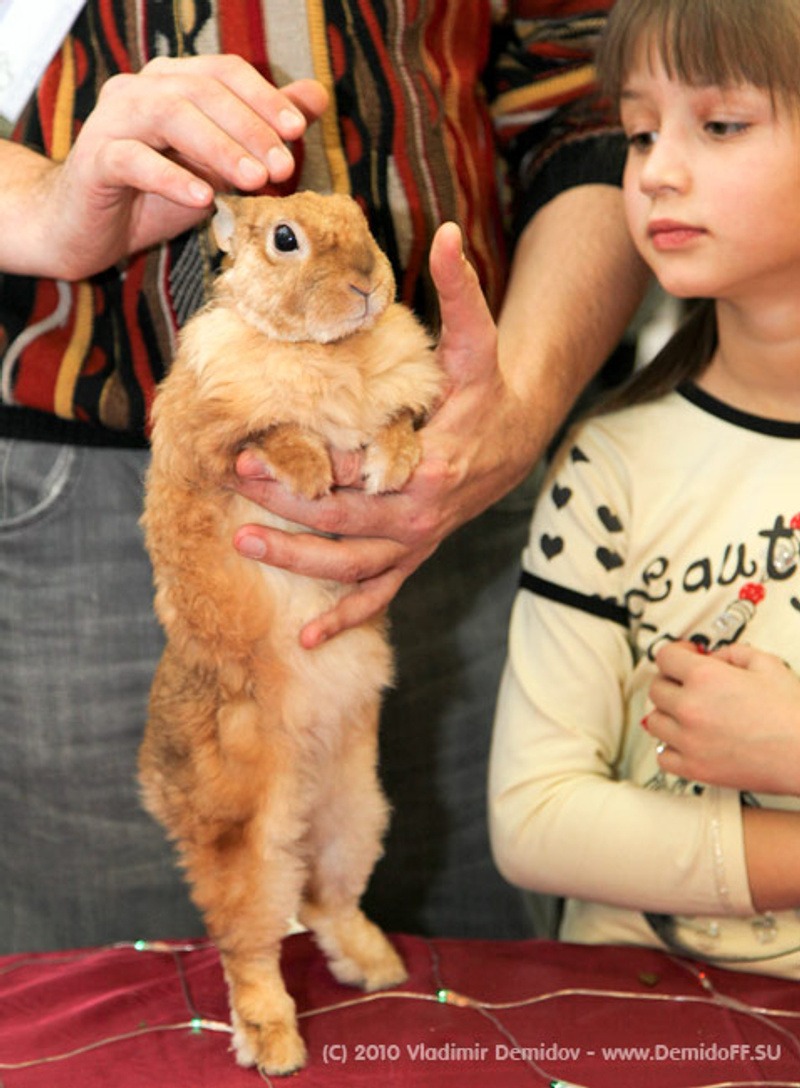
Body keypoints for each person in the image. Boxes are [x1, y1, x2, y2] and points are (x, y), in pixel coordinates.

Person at [0, 1, 648, 953]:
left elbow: (592, 92)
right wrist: (38, 206)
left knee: (467, 955)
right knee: (119, 973)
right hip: (83, 495)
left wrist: (521, 406)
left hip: (452, 473)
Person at [489, 0, 800, 977]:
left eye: (720, 124)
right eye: (637, 132)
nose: (656, 170)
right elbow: (535, 818)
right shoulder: (608, 466)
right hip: (638, 1013)